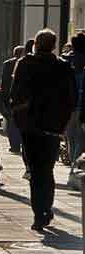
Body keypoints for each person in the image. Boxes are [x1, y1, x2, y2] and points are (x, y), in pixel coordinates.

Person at [10, 29, 75, 231]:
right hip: (53, 126)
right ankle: (45, 208)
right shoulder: (62, 66)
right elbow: (71, 98)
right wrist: (63, 122)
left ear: (35, 44)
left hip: (29, 125)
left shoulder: (24, 64)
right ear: (54, 46)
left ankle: (40, 213)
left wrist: (18, 118)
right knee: (47, 169)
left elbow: (14, 94)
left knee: (35, 169)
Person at [63, 32, 85, 186]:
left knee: (71, 138)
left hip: (67, 106)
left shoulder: (65, 60)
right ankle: (75, 171)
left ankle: (74, 167)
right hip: (81, 105)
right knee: (80, 140)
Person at [0, 46, 26, 153]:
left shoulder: (7, 64)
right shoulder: (25, 63)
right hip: (22, 97)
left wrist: (4, 97)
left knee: (12, 122)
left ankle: (14, 146)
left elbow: (3, 82)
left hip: (11, 97)